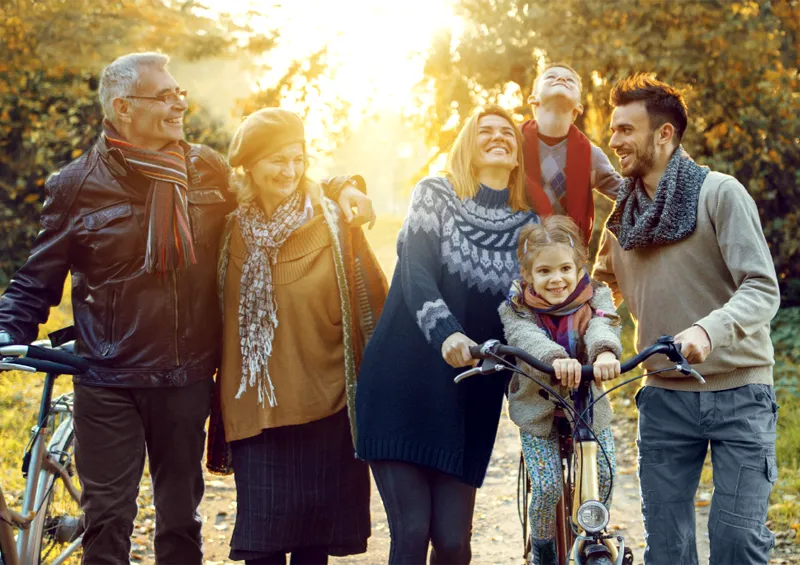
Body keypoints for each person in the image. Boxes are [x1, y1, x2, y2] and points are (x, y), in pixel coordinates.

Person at [0, 52, 374, 565]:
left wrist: (341, 185)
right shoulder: (76, 186)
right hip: (109, 377)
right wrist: (5, 331)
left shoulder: (205, 169)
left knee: (180, 521)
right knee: (107, 517)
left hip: (186, 377)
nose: (180, 103)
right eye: (166, 95)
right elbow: (34, 280)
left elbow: (272, 182)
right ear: (123, 107)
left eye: (180, 93)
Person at [593, 73, 781, 565]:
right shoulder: (621, 218)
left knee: (737, 544)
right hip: (664, 401)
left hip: (741, 394)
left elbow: (762, 288)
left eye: (626, 130)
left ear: (664, 135)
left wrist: (707, 330)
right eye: (613, 130)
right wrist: (601, 341)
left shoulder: (720, 193)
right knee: (669, 552)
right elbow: (600, 293)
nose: (614, 142)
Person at [355, 105, 539, 564]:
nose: (498, 137)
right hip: (403, 383)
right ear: (467, 146)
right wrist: (447, 334)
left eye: (508, 133)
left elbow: (534, 305)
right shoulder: (434, 194)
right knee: (413, 533)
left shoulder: (528, 226)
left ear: (518, 154)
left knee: (454, 543)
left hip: (470, 397)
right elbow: (416, 272)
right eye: (486, 131)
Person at [204, 108, 387, 565]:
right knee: (261, 551)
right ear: (249, 165)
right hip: (255, 410)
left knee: (312, 551)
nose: (289, 171)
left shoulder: (335, 223)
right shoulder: (226, 227)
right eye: (276, 160)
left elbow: (376, 305)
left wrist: (344, 184)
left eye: (297, 159)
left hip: (325, 406)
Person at [499, 215, 622, 565]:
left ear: (579, 266)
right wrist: (554, 358)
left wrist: (606, 351)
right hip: (538, 411)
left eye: (566, 268)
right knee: (547, 487)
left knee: (607, 473)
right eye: (544, 272)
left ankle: (594, 532)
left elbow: (603, 324)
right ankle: (543, 550)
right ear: (528, 275)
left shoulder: (596, 295)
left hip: (586, 405)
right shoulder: (516, 306)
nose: (557, 279)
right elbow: (526, 338)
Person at [521, 63, 623, 243]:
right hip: (515, 254)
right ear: (533, 99)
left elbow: (629, 195)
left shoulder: (591, 155)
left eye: (570, 80)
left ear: (579, 108)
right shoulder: (512, 143)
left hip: (567, 257)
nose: (561, 79)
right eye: (551, 77)